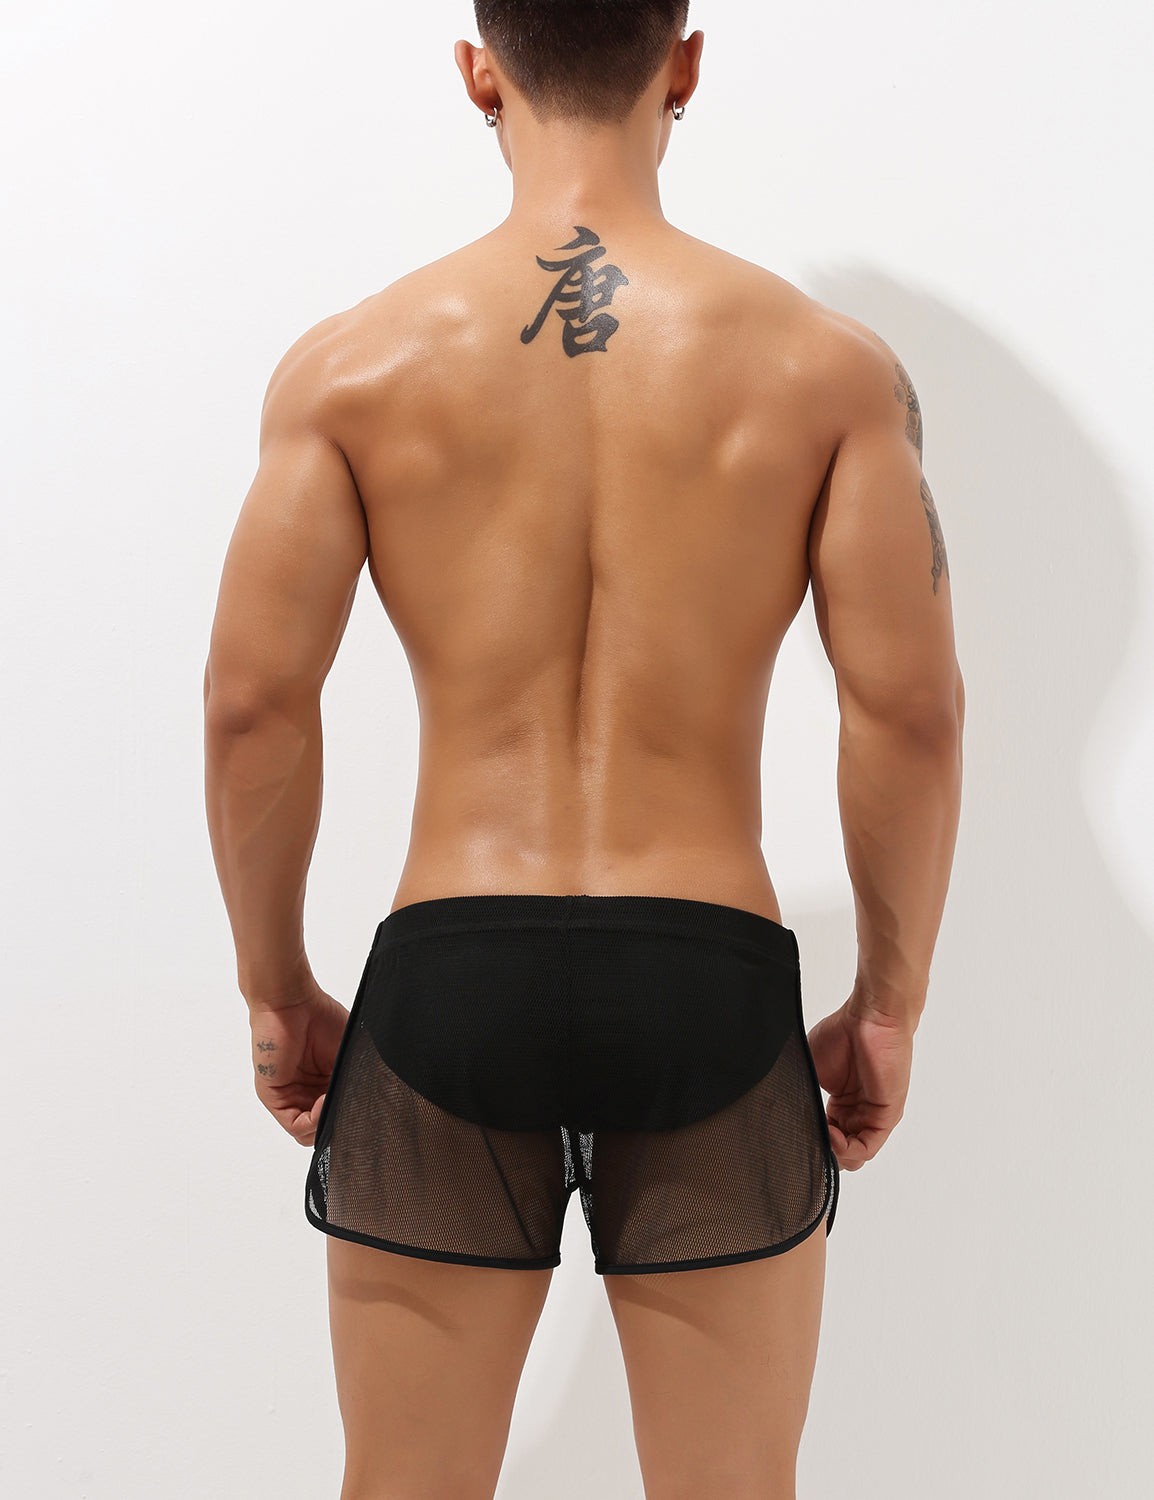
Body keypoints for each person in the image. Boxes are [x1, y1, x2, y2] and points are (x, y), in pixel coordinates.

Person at [202, 2, 965, 1495]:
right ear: (684, 63)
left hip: (451, 974)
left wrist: (275, 988)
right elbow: (908, 714)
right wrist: (887, 1004)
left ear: (478, 73)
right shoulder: (827, 373)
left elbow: (251, 704)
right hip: (707, 977)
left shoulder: (350, 368)